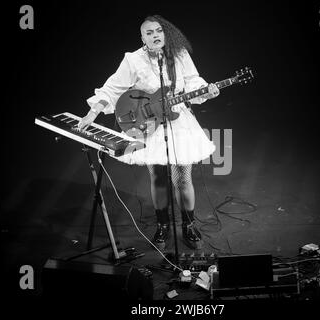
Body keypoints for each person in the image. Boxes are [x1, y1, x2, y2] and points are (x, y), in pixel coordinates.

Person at [78, 15, 220, 250]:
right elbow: (113, 87)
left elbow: (193, 82)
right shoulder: (133, 60)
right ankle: (163, 225)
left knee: (183, 177)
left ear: (166, 33)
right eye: (149, 32)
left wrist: (207, 91)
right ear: (142, 37)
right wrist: (92, 114)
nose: (155, 36)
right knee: (158, 177)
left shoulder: (179, 54)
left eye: (158, 31)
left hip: (178, 121)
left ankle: (188, 225)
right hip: (150, 123)